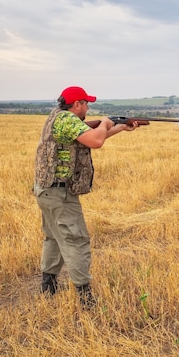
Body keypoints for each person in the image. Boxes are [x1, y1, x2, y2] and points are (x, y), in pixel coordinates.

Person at [33, 85, 139, 308]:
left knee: (54, 237)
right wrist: (106, 123)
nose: (88, 107)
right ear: (77, 104)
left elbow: (91, 136)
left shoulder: (58, 117)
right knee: (76, 239)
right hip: (59, 193)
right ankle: (85, 297)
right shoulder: (68, 120)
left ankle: (48, 286)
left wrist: (119, 127)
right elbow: (96, 141)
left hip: (46, 190)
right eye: (86, 103)